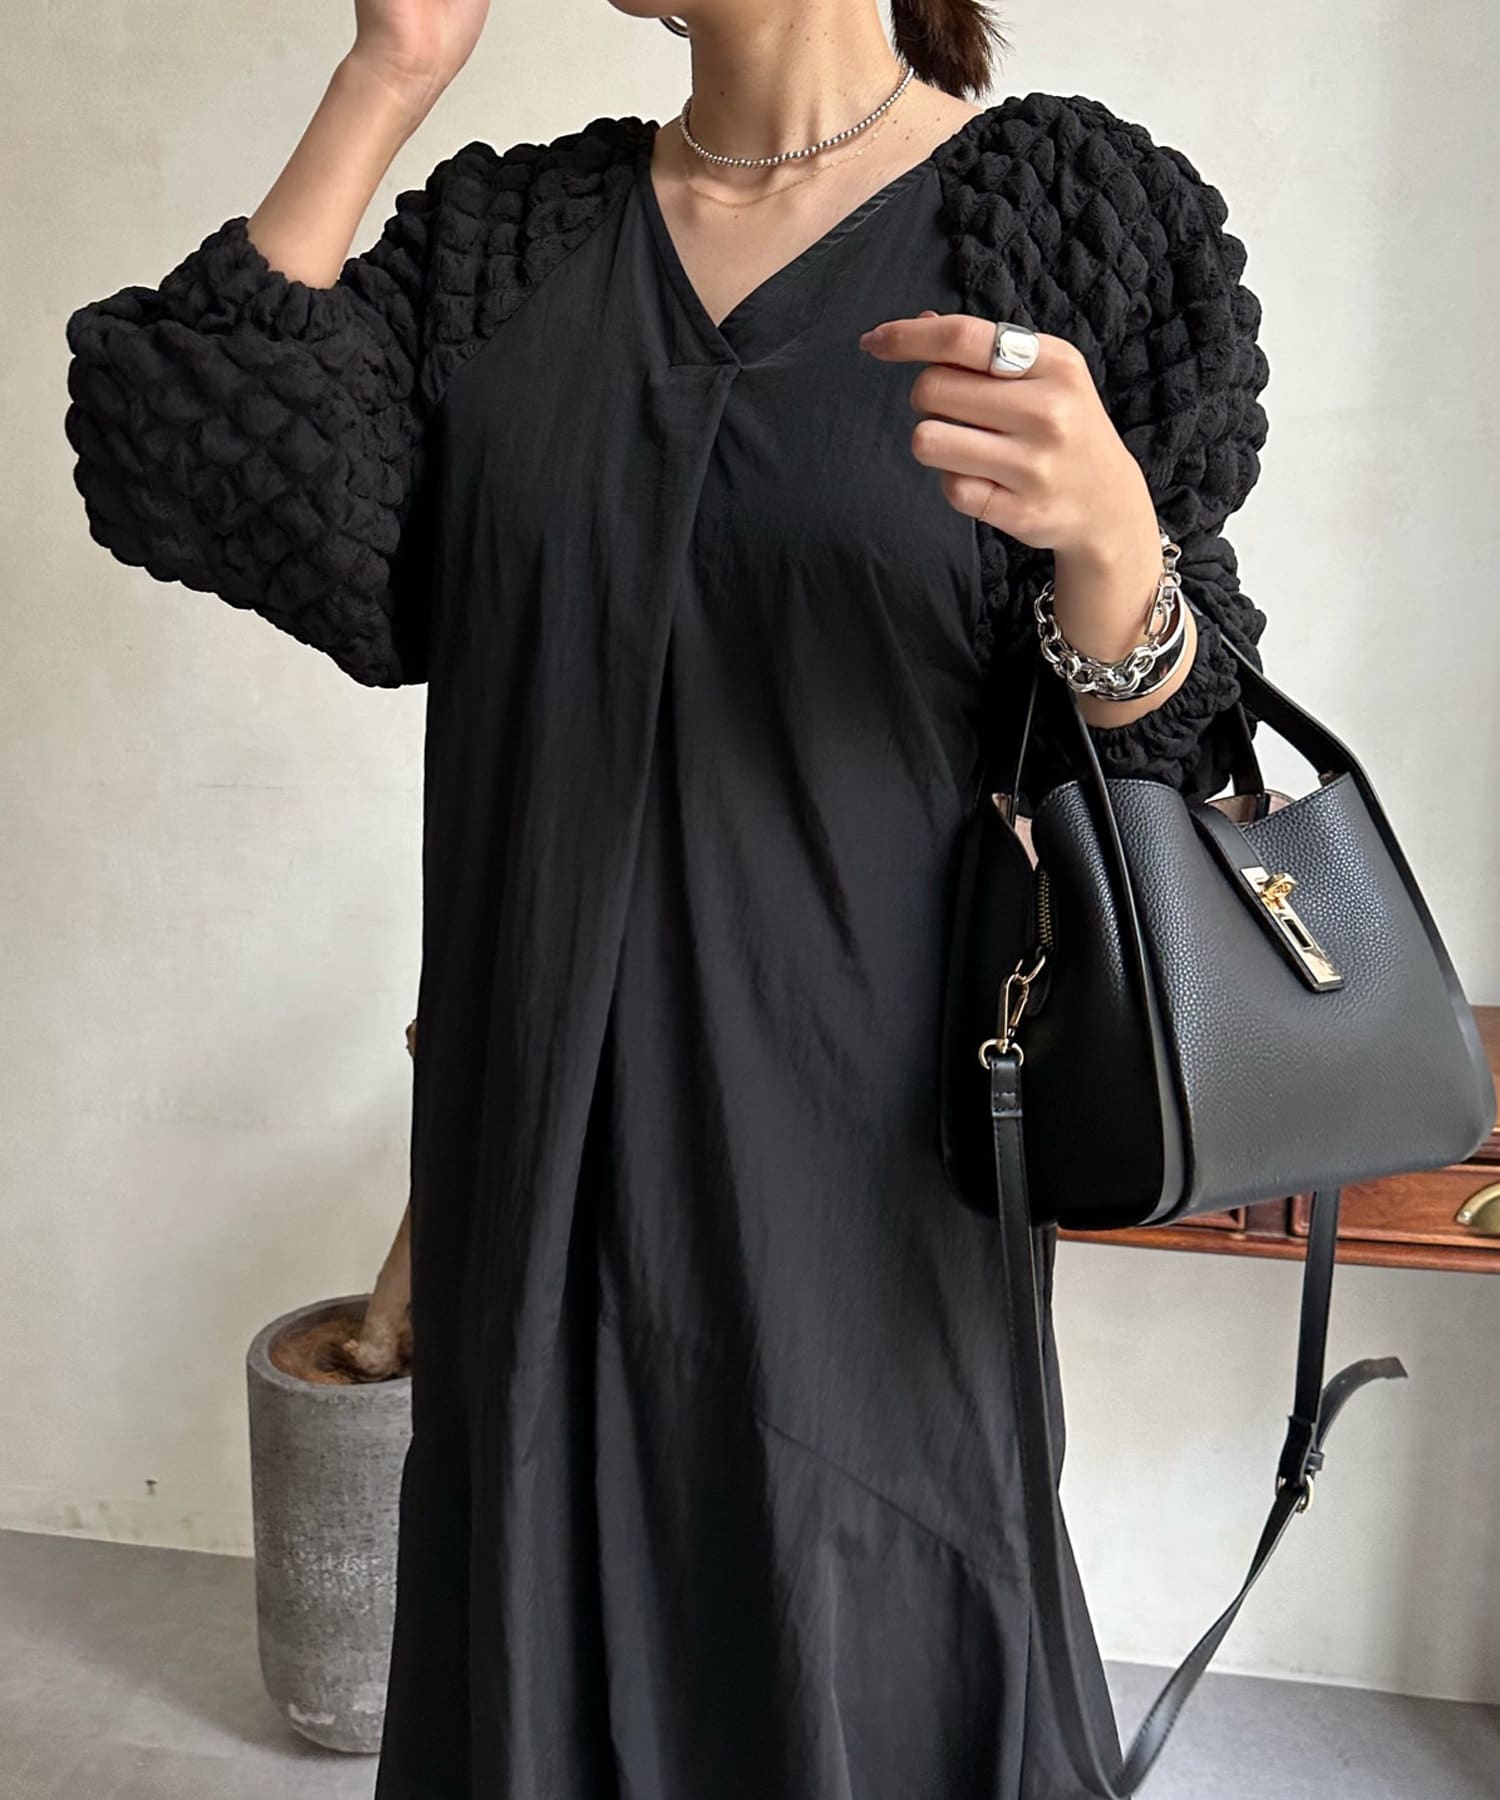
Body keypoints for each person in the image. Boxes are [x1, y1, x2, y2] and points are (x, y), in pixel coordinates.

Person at [62, 0, 1270, 1791]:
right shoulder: (509, 243)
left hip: (865, 1147)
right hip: (530, 1126)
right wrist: (392, 69)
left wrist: (1111, 544)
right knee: (540, 1613)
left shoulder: (1061, 214)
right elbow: (181, 442)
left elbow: (1171, 739)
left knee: (863, 1610)